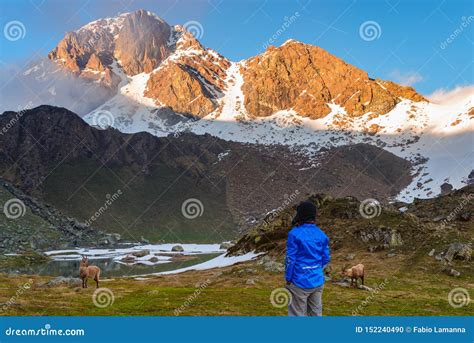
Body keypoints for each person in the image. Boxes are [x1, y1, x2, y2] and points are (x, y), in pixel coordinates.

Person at [285, 201, 330, 316]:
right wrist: (316, 269)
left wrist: (288, 278)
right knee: (315, 314)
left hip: (299, 281)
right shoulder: (322, 234)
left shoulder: (294, 234)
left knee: (297, 315)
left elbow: (290, 259)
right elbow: (326, 258)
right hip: (317, 280)